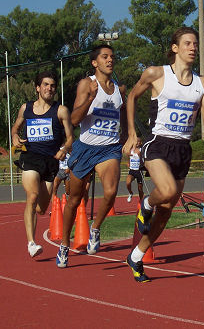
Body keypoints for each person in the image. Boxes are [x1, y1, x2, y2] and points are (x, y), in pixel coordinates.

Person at [123, 27, 204, 282]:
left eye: (195, 44)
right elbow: (131, 96)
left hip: (183, 149)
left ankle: (136, 255)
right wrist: (132, 133)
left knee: (166, 210)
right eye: (187, 43)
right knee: (165, 192)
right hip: (158, 143)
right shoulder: (157, 74)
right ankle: (145, 204)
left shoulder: (201, 83)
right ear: (175, 48)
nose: (193, 47)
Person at [56, 44, 127, 268]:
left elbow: (122, 114)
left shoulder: (118, 89)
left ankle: (95, 228)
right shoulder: (87, 84)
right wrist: (91, 99)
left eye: (112, 57)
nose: (110, 60)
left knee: (111, 192)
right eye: (105, 57)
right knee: (75, 200)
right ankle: (65, 244)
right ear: (95, 63)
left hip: (109, 148)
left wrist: (126, 135)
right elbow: (75, 119)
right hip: (85, 148)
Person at [11, 71, 73, 258]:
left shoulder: (60, 110)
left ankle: (34, 213)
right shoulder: (26, 108)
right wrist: (14, 135)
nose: (49, 88)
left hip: (51, 161)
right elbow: (16, 127)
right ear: (38, 88)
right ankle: (31, 243)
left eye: (52, 85)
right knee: (32, 195)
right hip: (30, 157)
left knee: (41, 208)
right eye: (45, 84)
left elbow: (70, 138)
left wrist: (64, 148)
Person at [126, 137, 144, 202]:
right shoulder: (130, 150)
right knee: (128, 182)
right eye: (135, 141)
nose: (136, 143)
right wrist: (128, 163)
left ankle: (141, 201)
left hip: (139, 171)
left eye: (138, 141)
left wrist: (142, 164)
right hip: (132, 171)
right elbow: (128, 158)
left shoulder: (141, 150)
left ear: (140, 143)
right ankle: (130, 193)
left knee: (140, 189)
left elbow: (144, 160)